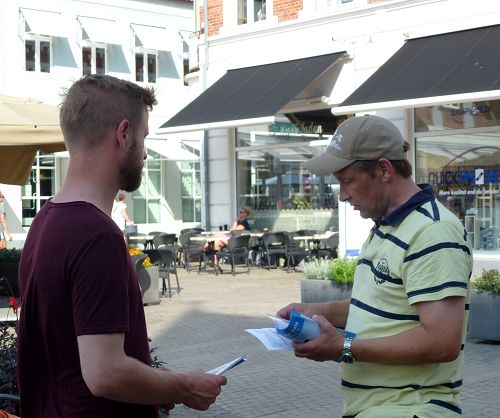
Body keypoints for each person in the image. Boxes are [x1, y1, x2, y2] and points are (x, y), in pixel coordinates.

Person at [17, 74, 226, 418]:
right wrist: (185, 385)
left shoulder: (45, 220)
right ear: (124, 133)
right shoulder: (97, 236)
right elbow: (105, 373)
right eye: (143, 137)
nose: (144, 153)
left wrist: (154, 387)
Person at [277, 115, 472, 418]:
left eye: (347, 181)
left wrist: (344, 347)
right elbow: (380, 305)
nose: (342, 195)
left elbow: (441, 342)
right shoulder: (387, 226)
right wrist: (316, 312)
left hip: (411, 408)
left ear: (383, 169)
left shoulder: (432, 231)